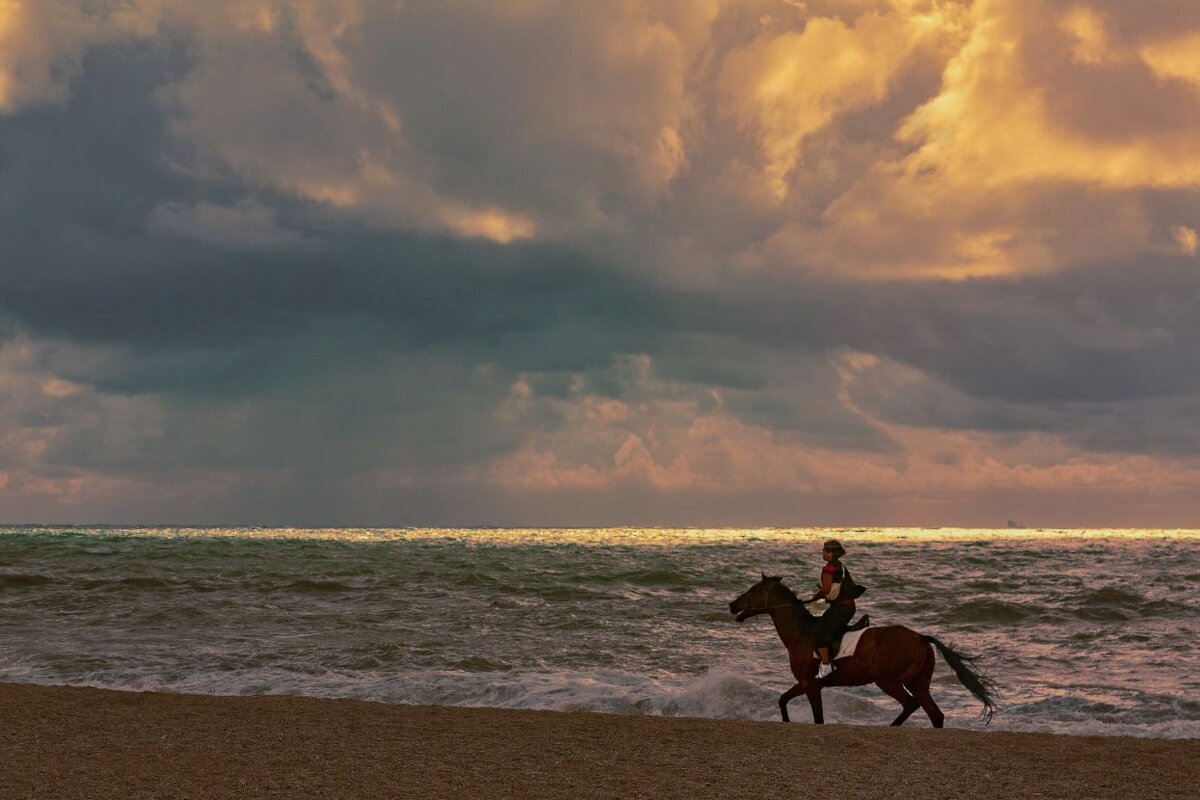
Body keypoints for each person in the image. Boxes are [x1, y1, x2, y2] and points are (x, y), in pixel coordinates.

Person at [806, 539, 857, 679]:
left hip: (842, 607)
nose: (822, 553)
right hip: (848, 606)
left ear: (831, 553)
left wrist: (812, 598)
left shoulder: (829, 568)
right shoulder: (840, 566)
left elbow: (826, 589)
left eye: (824, 551)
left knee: (819, 634)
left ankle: (827, 665)